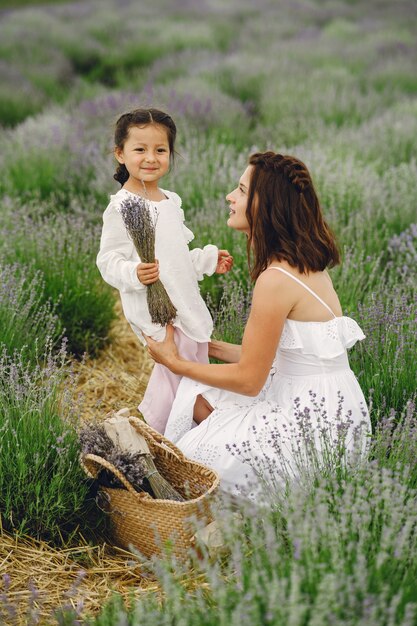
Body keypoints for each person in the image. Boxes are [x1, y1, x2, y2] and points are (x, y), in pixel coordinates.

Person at [145, 151, 371, 499]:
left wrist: (174, 361)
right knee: (199, 396)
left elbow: (251, 380)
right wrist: (205, 346)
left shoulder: (276, 279)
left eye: (240, 190)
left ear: (265, 206)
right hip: (337, 412)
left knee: (195, 444)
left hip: (311, 427)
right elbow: (277, 355)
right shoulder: (307, 264)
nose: (229, 197)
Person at [97, 108, 233, 434]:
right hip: (157, 310)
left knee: (194, 370)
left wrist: (207, 261)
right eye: (140, 149)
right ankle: (214, 431)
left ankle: (186, 438)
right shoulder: (121, 206)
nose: (151, 158)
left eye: (161, 150)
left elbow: (177, 258)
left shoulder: (170, 200)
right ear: (120, 153)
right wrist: (133, 272)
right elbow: (107, 259)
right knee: (183, 377)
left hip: (184, 301)